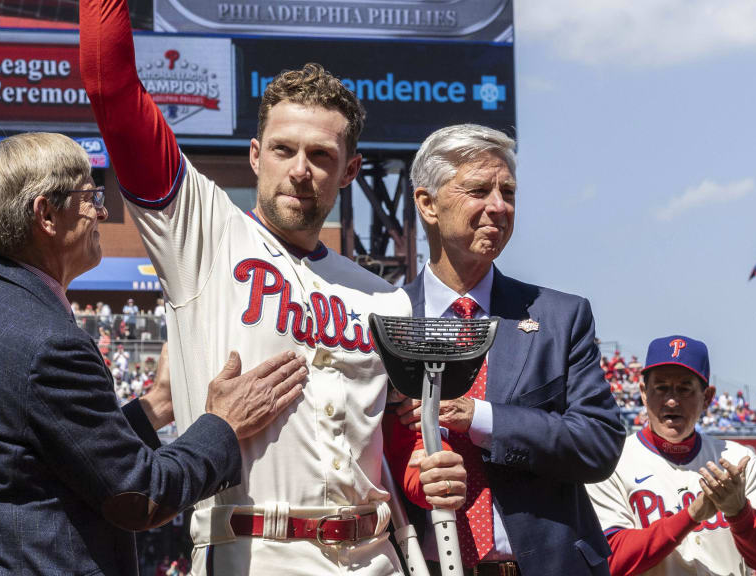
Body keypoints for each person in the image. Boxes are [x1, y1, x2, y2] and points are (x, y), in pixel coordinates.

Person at [80, 3, 468, 574]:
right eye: (284, 149)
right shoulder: (204, 237)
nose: (300, 169)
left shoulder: (384, 297)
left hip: (376, 557)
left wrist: (425, 470)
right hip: (254, 551)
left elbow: (397, 441)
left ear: (350, 170)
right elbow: (111, 89)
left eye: (321, 155)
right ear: (257, 155)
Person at [0, 132, 310, 575]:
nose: (102, 211)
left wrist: (154, 408)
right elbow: (140, 498)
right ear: (46, 214)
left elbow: (42, 460)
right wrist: (223, 425)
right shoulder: (50, 343)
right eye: (90, 197)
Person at [386, 124, 627, 575]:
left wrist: (476, 415)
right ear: (427, 203)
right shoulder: (386, 319)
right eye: (479, 189)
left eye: (508, 191)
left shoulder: (560, 317)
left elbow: (599, 442)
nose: (499, 206)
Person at [586, 335, 756, 575]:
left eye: (684, 389)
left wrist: (739, 512)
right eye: (661, 388)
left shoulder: (738, 460)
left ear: (707, 398)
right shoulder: (613, 463)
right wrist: (691, 515)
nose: (671, 400)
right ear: (643, 393)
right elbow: (612, 560)